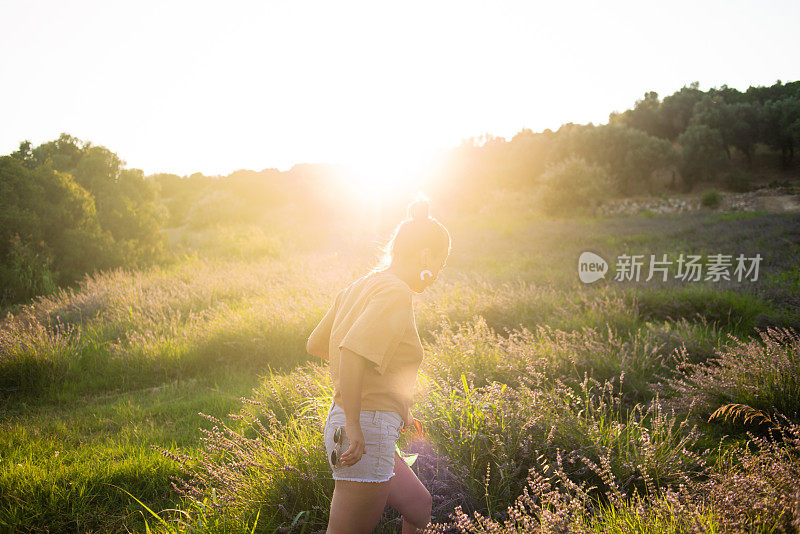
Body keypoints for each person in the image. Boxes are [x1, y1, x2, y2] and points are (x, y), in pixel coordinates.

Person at [306, 195, 451, 534]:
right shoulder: (396, 291)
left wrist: (394, 404)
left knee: (419, 507)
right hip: (363, 431)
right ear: (426, 256)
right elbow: (353, 352)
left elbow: (317, 344)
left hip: (369, 422)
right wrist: (356, 423)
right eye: (440, 266)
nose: (436, 276)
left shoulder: (360, 286)